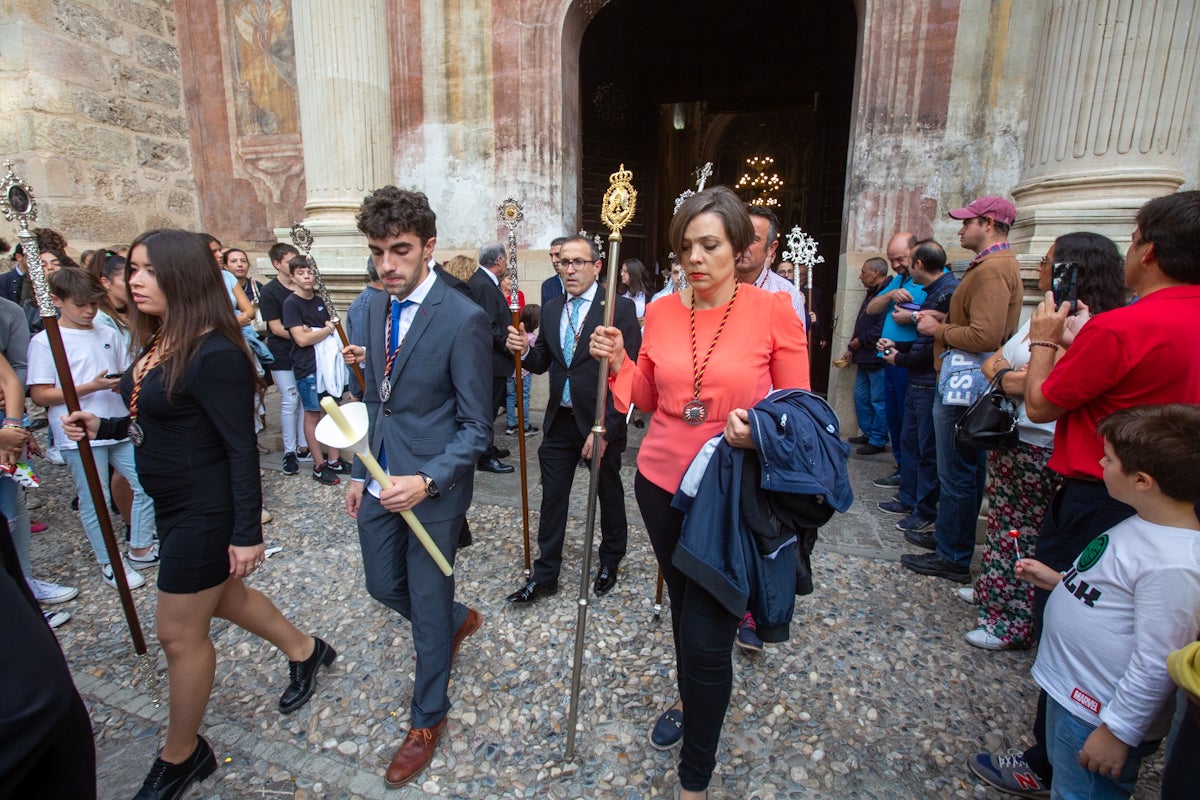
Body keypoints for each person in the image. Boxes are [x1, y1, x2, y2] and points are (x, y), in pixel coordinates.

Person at [62, 228, 334, 800]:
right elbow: (157, 420)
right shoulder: (163, 339)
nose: (132, 280)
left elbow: (240, 449)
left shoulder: (214, 352)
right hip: (174, 503)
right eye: (131, 268)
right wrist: (104, 426)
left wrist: (245, 534)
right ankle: (308, 651)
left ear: (182, 277)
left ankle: (183, 753)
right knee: (226, 599)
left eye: (147, 270)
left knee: (179, 634)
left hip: (204, 512)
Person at [970, 190, 1200, 796]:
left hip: (1102, 490)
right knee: (1153, 622)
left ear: (1147, 250)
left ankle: (1054, 757)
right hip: (1176, 499)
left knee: (1079, 612)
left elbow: (1043, 400)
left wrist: (1045, 339)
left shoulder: (1125, 325)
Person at [590, 186, 809, 799]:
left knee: (709, 634)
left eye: (709, 244)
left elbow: (803, 417)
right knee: (687, 610)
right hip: (660, 484)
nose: (695, 257)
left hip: (731, 494)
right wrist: (618, 364)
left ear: (740, 248)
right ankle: (694, 704)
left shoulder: (774, 312)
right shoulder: (660, 311)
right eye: (685, 246)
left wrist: (759, 431)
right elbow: (654, 400)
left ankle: (694, 780)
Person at [340, 186, 489, 788]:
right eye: (378, 252)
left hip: (433, 486)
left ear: (429, 247)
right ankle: (456, 618)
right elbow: (373, 400)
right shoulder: (369, 309)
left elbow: (478, 425)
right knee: (382, 585)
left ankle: (428, 716)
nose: (387, 265)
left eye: (399, 251)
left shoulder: (465, 318)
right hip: (378, 474)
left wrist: (427, 481)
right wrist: (358, 470)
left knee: (425, 607)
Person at [1014, 405, 1200, 800]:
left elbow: (1156, 661)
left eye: (1109, 458)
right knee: (1068, 782)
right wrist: (1060, 581)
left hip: (1098, 714)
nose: (1100, 461)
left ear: (1142, 481)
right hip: (1075, 696)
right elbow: (1117, 592)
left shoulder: (1175, 564)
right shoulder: (1145, 522)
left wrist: (1119, 732)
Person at [963, 232, 1127, 651]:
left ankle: (1014, 621)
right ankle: (992, 594)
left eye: (1051, 261)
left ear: (1075, 270)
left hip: (1044, 442)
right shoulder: (1046, 313)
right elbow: (997, 360)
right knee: (1003, 521)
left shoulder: (1091, 325)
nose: (1041, 268)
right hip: (1015, 437)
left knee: (1026, 531)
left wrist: (1011, 374)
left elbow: (1046, 383)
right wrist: (1010, 374)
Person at [505, 235, 641, 604]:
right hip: (561, 420)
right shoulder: (551, 308)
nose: (569, 269)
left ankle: (611, 558)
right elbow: (544, 362)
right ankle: (546, 572)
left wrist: (607, 429)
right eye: (564, 262)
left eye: (578, 262)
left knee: (607, 492)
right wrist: (524, 350)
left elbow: (630, 375)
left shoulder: (617, 309)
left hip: (600, 418)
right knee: (552, 498)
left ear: (597, 266)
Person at [904, 196, 1023, 583]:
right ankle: (948, 539)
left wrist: (937, 329)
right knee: (961, 470)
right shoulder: (992, 265)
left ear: (988, 223)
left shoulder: (991, 270)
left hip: (964, 381)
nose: (960, 229)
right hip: (965, 378)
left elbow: (985, 334)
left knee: (956, 470)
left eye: (966, 223)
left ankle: (952, 555)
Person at [28, 268, 158, 590]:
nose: (89, 311)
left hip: (117, 422)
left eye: (94, 303)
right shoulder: (45, 341)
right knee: (94, 500)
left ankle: (140, 546)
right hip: (79, 431)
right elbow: (41, 394)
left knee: (147, 482)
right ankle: (110, 562)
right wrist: (90, 387)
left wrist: (120, 385)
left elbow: (123, 370)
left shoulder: (106, 331)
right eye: (81, 305)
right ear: (57, 301)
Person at [876, 240, 958, 535]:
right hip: (917, 380)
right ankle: (909, 498)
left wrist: (901, 357)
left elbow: (937, 345)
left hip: (927, 381)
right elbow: (924, 340)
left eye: (907, 260)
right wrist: (897, 346)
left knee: (926, 450)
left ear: (919, 265)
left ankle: (924, 509)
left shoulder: (948, 292)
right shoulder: (936, 291)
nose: (904, 266)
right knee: (911, 443)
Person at [864, 232, 920, 489]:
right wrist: (892, 293)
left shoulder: (929, 280)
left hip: (910, 359)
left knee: (910, 425)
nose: (896, 264)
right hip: (889, 358)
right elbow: (872, 307)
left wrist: (912, 318)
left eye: (901, 258)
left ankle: (910, 475)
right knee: (895, 419)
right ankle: (901, 468)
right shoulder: (899, 279)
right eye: (892, 260)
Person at [281, 256, 344, 484]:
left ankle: (335, 459)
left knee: (333, 411)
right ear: (293, 277)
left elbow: (331, 327)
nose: (307, 276)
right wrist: (324, 331)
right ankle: (319, 464)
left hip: (327, 366)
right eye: (301, 273)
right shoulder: (292, 304)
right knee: (313, 413)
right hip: (307, 366)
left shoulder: (320, 301)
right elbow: (302, 339)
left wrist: (318, 331)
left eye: (309, 272)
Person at [259, 243, 309, 474]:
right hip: (282, 353)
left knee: (304, 398)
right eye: (290, 262)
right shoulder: (270, 292)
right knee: (290, 400)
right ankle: (289, 451)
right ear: (277, 264)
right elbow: (276, 327)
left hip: (302, 354)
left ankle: (303, 445)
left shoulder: (302, 289)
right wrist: (303, 334)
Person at [469, 242, 517, 474]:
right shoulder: (484, 284)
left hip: (494, 360)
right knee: (487, 409)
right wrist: (507, 344)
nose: (506, 263)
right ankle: (485, 456)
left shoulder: (485, 281)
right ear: (498, 260)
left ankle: (488, 448)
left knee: (491, 406)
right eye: (505, 259)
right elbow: (488, 323)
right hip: (491, 360)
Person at [841, 257, 889, 455]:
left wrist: (861, 341)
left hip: (876, 356)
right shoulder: (872, 293)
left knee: (878, 399)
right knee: (860, 397)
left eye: (863, 272)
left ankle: (878, 439)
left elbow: (881, 326)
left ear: (876, 272)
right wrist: (852, 349)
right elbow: (861, 322)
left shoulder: (885, 294)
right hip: (863, 356)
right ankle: (868, 432)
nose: (860, 277)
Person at [735, 205, 806, 324]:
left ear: (771, 248)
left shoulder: (787, 294)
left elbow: (793, 341)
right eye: (739, 236)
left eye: (753, 239)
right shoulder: (710, 284)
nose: (743, 245)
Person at [504, 303, 539, 437]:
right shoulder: (533, 338)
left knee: (511, 396)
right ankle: (524, 425)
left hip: (510, 370)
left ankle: (511, 424)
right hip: (524, 372)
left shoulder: (517, 333)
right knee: (524, 397)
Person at [618, 257, 651, 321]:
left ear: (634, 273)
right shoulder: (619, 294)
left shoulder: (650, 296)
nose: (622, 274)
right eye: (621, 271)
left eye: (625, 271)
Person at [539, 236, 568, 304]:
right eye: (551, 256)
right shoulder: (547, 285)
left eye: (558, 255)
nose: (553, 260)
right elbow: (545, 313)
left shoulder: (582, 283)